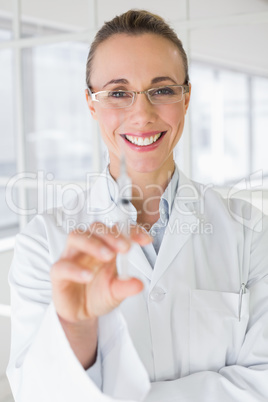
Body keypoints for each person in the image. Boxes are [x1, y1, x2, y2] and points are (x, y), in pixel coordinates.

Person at [7, 9, 268, 402]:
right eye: (117, 93)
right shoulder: (44, 242)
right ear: (91, 105)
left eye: (162, 90)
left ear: (186, 97)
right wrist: (75, 330)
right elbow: (32, 393)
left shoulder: (251, 234)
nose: (141, 114)